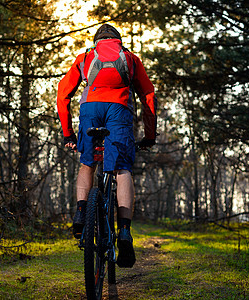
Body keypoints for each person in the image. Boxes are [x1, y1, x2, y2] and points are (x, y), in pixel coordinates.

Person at [57, 24, 157, 268]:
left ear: (97, 41)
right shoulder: (131, 59)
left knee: (87, 162)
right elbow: (148, 96)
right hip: (119, 109)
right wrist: (149, 135)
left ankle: (81, 212)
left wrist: (68, 134)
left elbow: (63, 94)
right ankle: (124, 231)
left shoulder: (86, 57)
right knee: (122, 169)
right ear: (118, 41)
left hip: (90, 108)